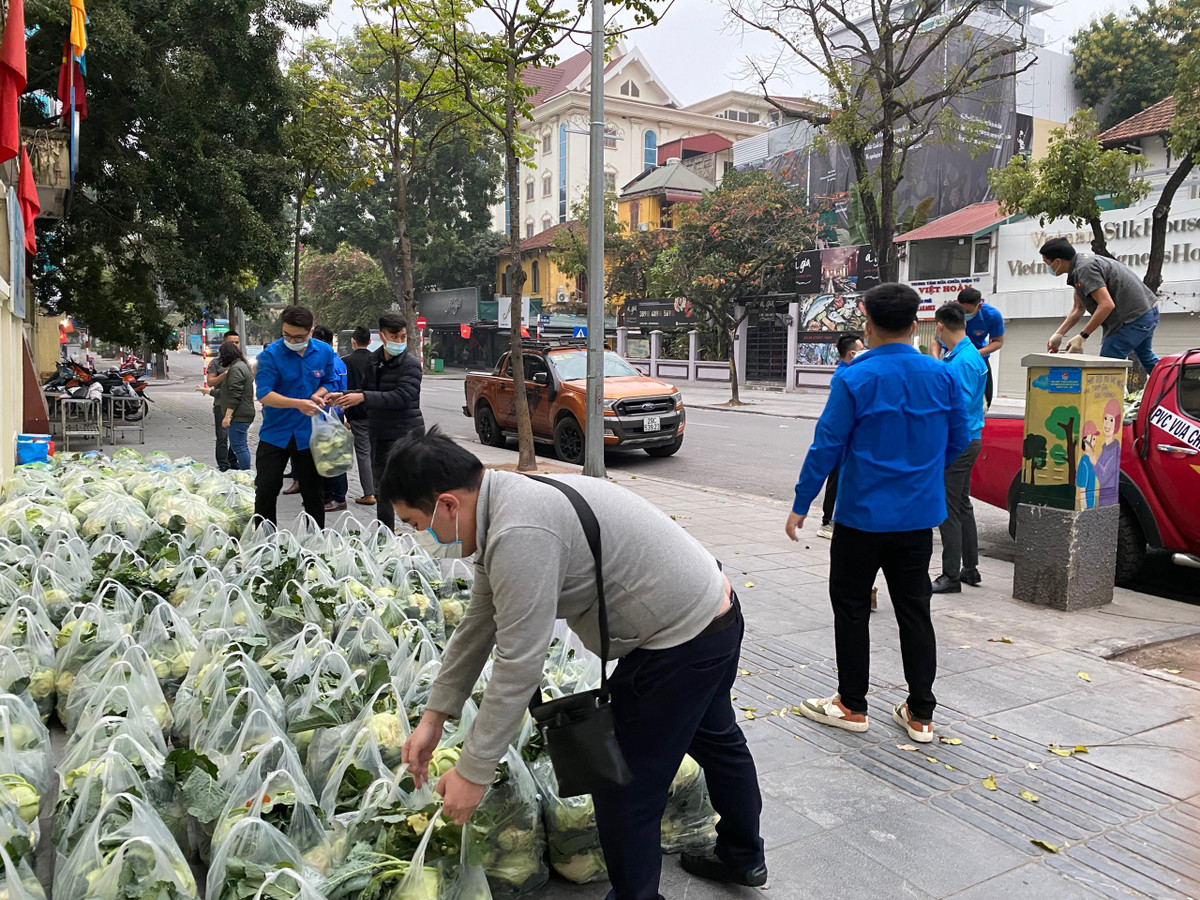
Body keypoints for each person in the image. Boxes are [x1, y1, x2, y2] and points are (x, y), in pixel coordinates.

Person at [389, 428, 766, 899]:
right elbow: (480, 623)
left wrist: (472, 773)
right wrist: (434, 717)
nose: (419, 537)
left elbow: (518, 663)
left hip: (680, 642)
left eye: (414, 523)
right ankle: (742, 856)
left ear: (447, 504)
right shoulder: (502, 502)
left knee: (626, 786)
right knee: (718, 741)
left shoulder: (519, 531)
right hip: (712, 614)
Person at [785, 283, 969, 744]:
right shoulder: (942, 375)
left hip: (860, 518)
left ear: (867, 322)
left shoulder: (854, 377)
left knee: (851, 608)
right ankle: (921, 714)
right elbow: (960, 438)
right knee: (915, 611)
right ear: (915, 324)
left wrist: (802, 503)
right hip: (916, 519)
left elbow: (826, 445)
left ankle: (852, 704)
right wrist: (925, 473)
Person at [328, 313, 423, 531]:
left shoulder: (410, 364)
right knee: (382, 490)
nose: (399, 341)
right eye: (394, 337)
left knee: (411, 490)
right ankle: (385, 536)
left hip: (407, 435)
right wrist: (343, 395)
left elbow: (402, 396)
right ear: (382, 336)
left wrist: (362, 397)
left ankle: (423, 537)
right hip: (380, 434)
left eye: (403, 337)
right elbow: (366, 390)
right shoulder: (375, 360)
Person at [252, 306, 341, 528]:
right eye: (287, 335)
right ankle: (265, 540)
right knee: (266, 489)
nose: (292, 341)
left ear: (311, 330)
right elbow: (264, 394)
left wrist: (319, 394)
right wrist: (298, 404)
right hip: (276, 433)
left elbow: (330, 382)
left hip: (310, 434)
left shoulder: (324, 352)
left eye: (298, 337)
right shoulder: (270, 356)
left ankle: (315, 540)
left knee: (314, 492)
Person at [931, 302, 988, 594]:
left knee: (949, 508)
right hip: (970, 438)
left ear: (939, 326)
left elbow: (960, 407)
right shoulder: (968, 354)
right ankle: (970, 568)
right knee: (962, 504)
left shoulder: (962, 361)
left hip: (959, 442)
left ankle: (950, 575)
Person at [1041, 237, 1160, 373]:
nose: (1047, 267)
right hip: (1146, 312)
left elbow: (1106, 304)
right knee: (1147, 359)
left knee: (1106, 367)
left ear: (1057, 261)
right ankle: (1172, 384)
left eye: (1046, 262)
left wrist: (1082, 336)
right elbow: (1078, 308)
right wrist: (1059, 334)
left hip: (1133, 318)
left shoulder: (1084, 269)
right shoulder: (1078, 267)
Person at [817, 332, 864, 540]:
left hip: (851, 439)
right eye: (862, 349)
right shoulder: (843, 376)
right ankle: (827, 522)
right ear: (852, 353)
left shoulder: (851, 372)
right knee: (835, 479)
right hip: (842, 439)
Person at [939, 288, 1004, 408]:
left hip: (978, 358)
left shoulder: (992, 315)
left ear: (979, 306)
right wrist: (936, 360)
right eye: (961, 309)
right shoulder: (949, 312)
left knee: (985, 398)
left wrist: (973, 354)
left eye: (967, 311)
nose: (964, 314)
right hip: (952, 359)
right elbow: (937, 339)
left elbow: (998, 342)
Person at [313, 325, 349, 513]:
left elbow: (332, 389)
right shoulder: (338, 361)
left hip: (329, 414)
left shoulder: (330, 363)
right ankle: (327, 495)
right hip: (332, 413)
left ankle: (337, 497)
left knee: (332, 456)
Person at [342, 326, 377, 506]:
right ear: (370, 341)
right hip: (376, 411)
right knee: (376, 453)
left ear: (353, 341)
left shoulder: (345, 362)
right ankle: (378, 490)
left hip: (356, 413)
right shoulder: (376, 360)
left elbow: (342, 387)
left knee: (363, 453)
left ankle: (369, 493)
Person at [197, 330, 241, 471]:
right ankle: (223, 464)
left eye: (237, 342)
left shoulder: (241, 362)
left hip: (238, 405)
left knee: (237, 436)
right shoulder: (216, 362)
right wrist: (224, 375)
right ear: (224, 344)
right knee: (222, 436)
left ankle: (233, 461)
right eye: (231, 342)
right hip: (221, 404)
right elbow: (210, 382)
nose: (235, 345)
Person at [217, 340, 256, 471]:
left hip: (239, 415)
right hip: (244, 412)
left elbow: (235, 394)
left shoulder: (236, 369)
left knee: (239, 447)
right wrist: (208, 391)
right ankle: (246, 473)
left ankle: (246, 474)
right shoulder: (242, 366)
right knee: (240, 446)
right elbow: (228, 392)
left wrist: (228, 416)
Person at [1095, 399, 1122, 507]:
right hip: (1101, 497)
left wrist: (1092, 459)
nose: (1107, 424)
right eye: (1105, 418)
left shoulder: (1115, 449)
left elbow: (1104, 476)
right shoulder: (1104, 447)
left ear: (1117, 424)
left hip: (1107, 499)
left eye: (1111, 420)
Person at [1077, 423, 1100, 509]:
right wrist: (1084, 509)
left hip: (1091, 505)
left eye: (1094, 439)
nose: (1094, 442)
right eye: (1092, 439)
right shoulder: (1084, 461)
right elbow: (1082, 490)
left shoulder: (1091, 460)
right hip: (1087, 507)